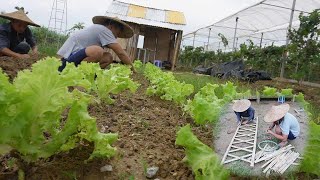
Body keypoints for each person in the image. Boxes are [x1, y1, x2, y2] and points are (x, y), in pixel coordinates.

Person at [57, 16, 135, 72]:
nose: (117, 36)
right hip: (66, 61)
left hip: (73, 59)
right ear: (111, 27)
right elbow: (120, 53)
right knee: (97, 51)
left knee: (108, 57)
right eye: (118, 32)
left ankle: (86, 78)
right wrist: (132, 68)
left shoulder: (99, 29)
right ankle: (74, 76)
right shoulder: (104, 30)